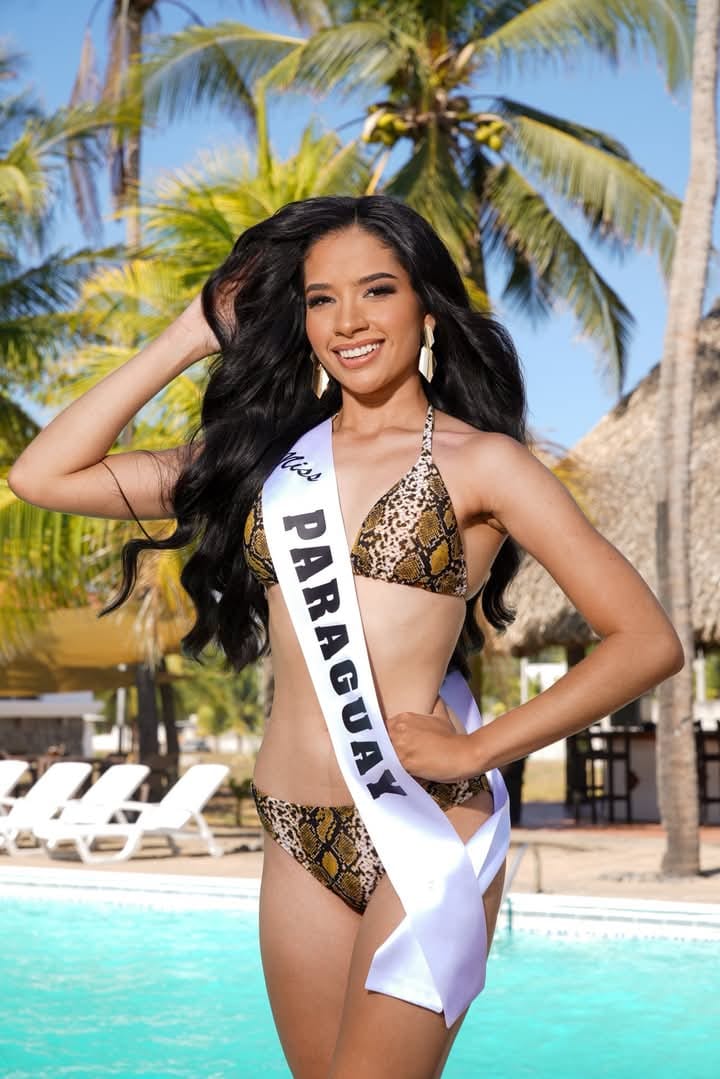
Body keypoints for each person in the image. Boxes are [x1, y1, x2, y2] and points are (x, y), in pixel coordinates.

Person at [9, 195, 683, 1078]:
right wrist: (194, 332)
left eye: (377, 290)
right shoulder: (265, 463)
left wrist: (479, 748)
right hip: (292, 830)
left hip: (425, 820)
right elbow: (42, 474)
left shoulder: (485, 462)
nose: (349, 320)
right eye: (321, 298)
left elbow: (645, 640)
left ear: (426, 308)